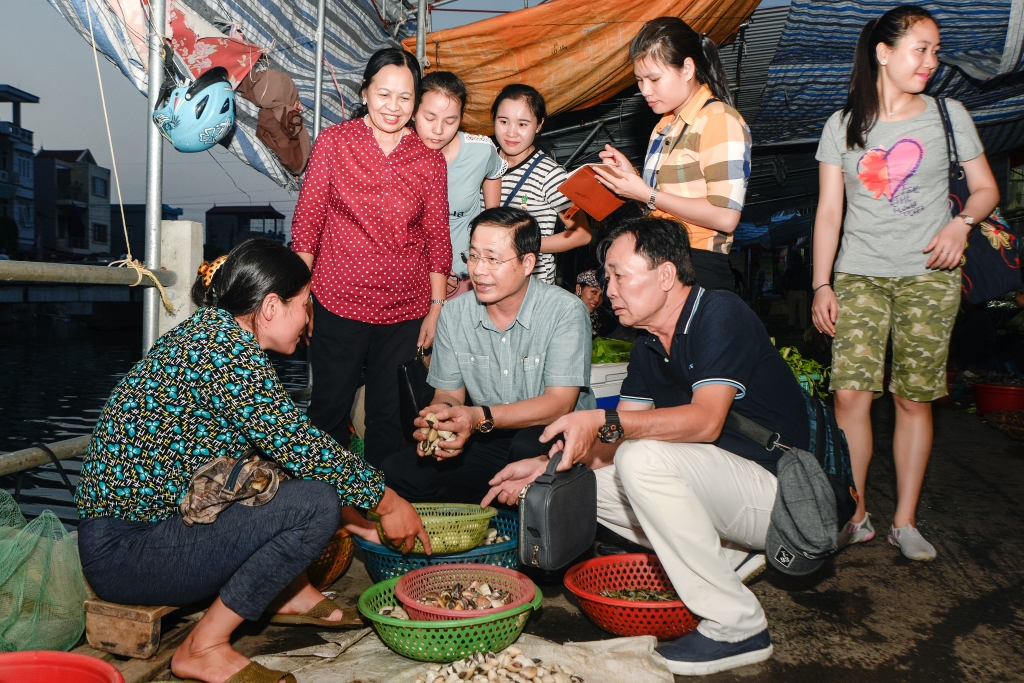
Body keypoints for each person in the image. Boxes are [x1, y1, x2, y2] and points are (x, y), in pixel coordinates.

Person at [75, 240, 429, 683]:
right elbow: (300, 444)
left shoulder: (214, 335)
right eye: (305, 305)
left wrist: (357, 519)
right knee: (315, 503)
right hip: (126, 554)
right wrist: (388, 502)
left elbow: (278, 454)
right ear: (270, 307)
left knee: (301, 484)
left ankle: (289, 592)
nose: (309, 321)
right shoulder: (223, 351)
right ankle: (203, 647)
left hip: (143, 539)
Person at [484, 218, 811, 675]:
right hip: (726, 492)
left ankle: (738, 626)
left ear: (665, 274)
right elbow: (615, 444)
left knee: (643, 458)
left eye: (619, 274)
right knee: (584, 484)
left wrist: (603, 418)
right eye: (606, 276)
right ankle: (724, 557)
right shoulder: (647, 345)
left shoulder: (719, 312)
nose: (609, 288)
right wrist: (546, 464)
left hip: (780, 496)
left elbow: (704, 421)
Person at [811, 6, 999, 561]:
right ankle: (857, 515)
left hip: (929, 276)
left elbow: (987, 190)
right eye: (922, 49)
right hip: (859, 273)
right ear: (883, 52)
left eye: (935, 51)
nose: (932, 63)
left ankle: (906, 521)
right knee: (851, 394)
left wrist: (961, 225)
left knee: (914, 397)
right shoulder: (843, 125)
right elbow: (828, 213)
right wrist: (822, 284)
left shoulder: (948, 115)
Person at [291, 48, 451, 467]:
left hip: (405, 310)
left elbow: (437, 238)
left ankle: (382, 511)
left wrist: (435, 309)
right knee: (329, 409)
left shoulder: (429, 160)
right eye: (384, 94)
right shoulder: (334, 142)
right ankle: (322, 512)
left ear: (416, 101)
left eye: (405, 97)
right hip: (336, 300)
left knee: (389, 417)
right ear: (364, 92)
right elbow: (307, 224)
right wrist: (300, 294)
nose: (394, 107)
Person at [378, 207, 593, 504]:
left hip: (549, 439)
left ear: (527, 262)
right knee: (397, 471)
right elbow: (448, 394)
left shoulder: (565, 311)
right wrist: (442, 420)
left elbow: (559, 404)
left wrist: (478, 416)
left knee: (526, 444)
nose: (478, 270)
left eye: (492, 258)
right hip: (486, 435)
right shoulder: (454, 314)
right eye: (474, 256)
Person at [593, 17, 751, 291]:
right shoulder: (663, 128)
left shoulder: (719, 120)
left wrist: (646, 193)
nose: (644, 90)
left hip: (698, 264)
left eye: (654, 78)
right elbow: (659, 208)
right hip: (660, 257)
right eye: (639, 80)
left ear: (687, 68)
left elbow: (725, 216)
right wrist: (634, 183)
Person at [414, 71, 507, 300]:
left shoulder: (481, 150)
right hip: (413, 276)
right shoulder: (398, 154)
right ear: (414, 111)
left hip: (466, 278)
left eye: (450, 120)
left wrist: (490, 222)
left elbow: (493, 173)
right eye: (429, 117)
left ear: (461, 117)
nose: (438, 129)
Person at [491, 84, 592, 285]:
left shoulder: (550, 174)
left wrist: (526, 246)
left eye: (522, 124)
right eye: (503, 121)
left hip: (532, 289)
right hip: (488, 281)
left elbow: (582, 234)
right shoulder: (484, 162)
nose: (511, 133)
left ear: (538, 125)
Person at [576, 269, 618, 338]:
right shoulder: (565, 312)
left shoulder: (601, 319)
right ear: (579, 288)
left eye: (601, 295)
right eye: (594, 292)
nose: (597, 299)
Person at [783, 251, 811, 331]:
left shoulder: (790, 270)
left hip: (792, 292)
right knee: (803, 312)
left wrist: (785, 289)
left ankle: (791, 328)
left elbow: (784, 280)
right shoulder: (804, 270)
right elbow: (808, 281)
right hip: (802, 292)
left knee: (791, 312)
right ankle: (803, 329)